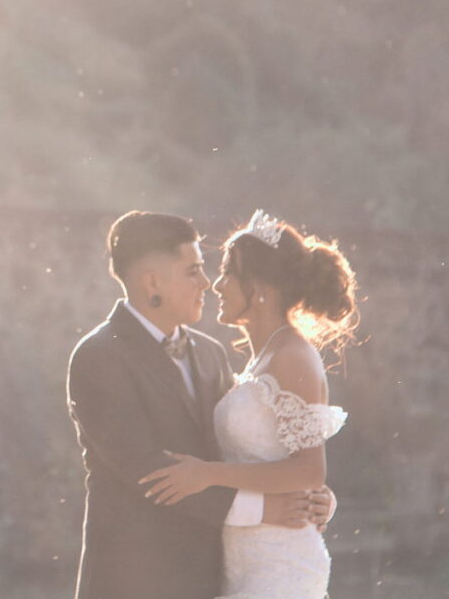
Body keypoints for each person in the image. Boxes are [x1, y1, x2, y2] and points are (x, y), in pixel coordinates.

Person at [66, 210, 335, 599]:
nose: (207, 283)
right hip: (135, 580)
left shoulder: (210, 354)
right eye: (193, 270)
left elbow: (250, 447)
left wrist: (312, 497)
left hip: (215, 578)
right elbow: (148, 473)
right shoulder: (98, 356)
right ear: (154, 281)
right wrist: (266, 511)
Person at [139, 209, 357, 597]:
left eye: (227, 273)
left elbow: (308, 470)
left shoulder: (293, 355)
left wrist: (207, 473)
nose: (217, 285)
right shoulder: (259, 359)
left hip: (281, 567)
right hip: (241, 559)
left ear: (259, 287)